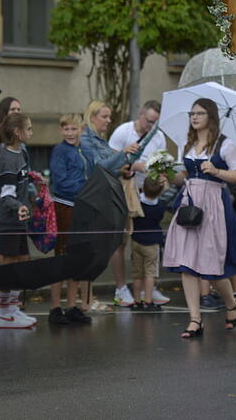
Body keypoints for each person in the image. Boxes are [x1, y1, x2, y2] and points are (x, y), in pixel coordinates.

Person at [163, 98, 236, 338]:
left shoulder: (225, 145)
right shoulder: (187, 144)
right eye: (192, 113)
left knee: (212, 265)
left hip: (213, 204)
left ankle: (231, 303)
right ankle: (195, 320)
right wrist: (168, 176)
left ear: (210, 116)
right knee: (186, 263)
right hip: (189, 203)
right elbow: (184, 177)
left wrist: (217, 171)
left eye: (199, 113)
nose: (194, 117)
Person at [107, 100, 169, 307]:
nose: (150, 126)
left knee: (146, 243)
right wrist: (133, 165)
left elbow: (161, 163)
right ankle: (121, 287)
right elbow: (109, 160)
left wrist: (160, 176)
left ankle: (147, 287)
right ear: (140, 114)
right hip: (125, 191)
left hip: (147, 195)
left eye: (155, 123)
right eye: (148, 121)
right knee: (121, 241)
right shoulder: (123, 131)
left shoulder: (158, 137)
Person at [80, 100, 137, 312]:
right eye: (104, 116)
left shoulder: (98, 139)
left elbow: (109, 166)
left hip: (101, 199)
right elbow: (98, 167)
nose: (108, 120)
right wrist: (123, 154)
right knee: (88, 252)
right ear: (92, 116)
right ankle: (86, 300)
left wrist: (122, 169)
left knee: (94, 251)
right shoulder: (86, 139)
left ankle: (88, 299)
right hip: (90, 201)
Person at [0, 113, 38, 329]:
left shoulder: (20, 154)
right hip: (8, 220)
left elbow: (21, 181)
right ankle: (4, 313)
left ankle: (13, 308)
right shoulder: (7, 159)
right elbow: (6, 195)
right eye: (28, 129)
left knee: (23, 259)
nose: (31, 132)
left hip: (19, 219)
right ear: (17, 133)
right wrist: (20, 206)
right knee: (9, 264)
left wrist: (34, 181)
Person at [47, 113, 93, 325]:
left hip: (82, 208)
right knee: (62, 256)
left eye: (74, 129)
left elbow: (91, 175)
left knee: (76, 257)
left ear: (81, 129)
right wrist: (86, 190)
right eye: (66, 129)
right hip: (64, 207)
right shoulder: (59, 151)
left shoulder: (85, 150)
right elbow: (61, 182)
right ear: (61, 130)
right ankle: (55, 307)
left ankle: (72, 305)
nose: (70, 133)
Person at [130, 176, 168, 312]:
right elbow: (161, 199)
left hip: (136, 241)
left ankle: (136, 301)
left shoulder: (137, 203)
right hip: (152, 244)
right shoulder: (160, 206)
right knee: (150, 273)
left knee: (137, 273)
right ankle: (148, 301)